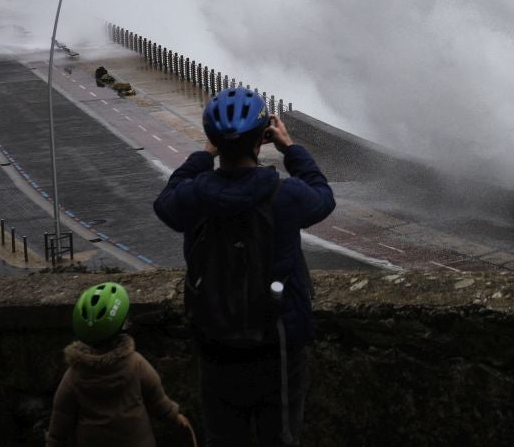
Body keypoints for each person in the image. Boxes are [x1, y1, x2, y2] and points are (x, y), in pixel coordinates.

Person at [154, 87, 335, 446]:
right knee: (280, 438)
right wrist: (291, 148)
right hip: (277, 343)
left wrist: (205, 154)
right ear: (261, 139)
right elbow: (323, 197)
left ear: (214, 139)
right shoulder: (285, 195)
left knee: (222, 438)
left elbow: (166, 202)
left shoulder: (195, 196)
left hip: (217, 342)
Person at [46, 281, 194, 447]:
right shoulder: (136, 364)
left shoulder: (74, 376)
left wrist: (53, 442)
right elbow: (157, 399)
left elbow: (60, 421)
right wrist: (174, 416)